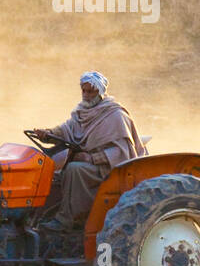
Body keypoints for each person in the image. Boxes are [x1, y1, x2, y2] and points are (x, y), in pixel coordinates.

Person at [31, 71, 146, 231]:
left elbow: (123, 151)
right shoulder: (81, 113)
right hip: (89, 166)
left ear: (100, 92)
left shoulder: (115, 115)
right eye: (83, 91)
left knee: (74, 169)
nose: (86, 95)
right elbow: (65, 131)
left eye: (90, 91)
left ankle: (66, 220)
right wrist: (47, 134)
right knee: (53, 173)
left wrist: (93, 159)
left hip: (109, 170)